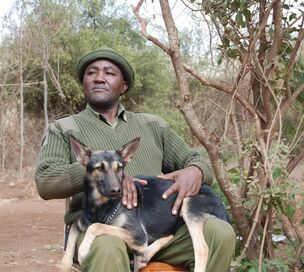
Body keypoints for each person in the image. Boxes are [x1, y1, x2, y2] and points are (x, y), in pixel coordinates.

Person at [35, 47, 235, 272]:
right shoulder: (64, 127)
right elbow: (46, 181)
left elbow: (196, 159)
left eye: (109, 73)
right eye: (91, 73)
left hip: (158, 230)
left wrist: (196, 170)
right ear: (83, 82)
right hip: (101, 228)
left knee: (221, 233)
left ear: (124, 86)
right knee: (109, 249)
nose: (99, 78)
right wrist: (105, 172)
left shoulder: (152, 125)